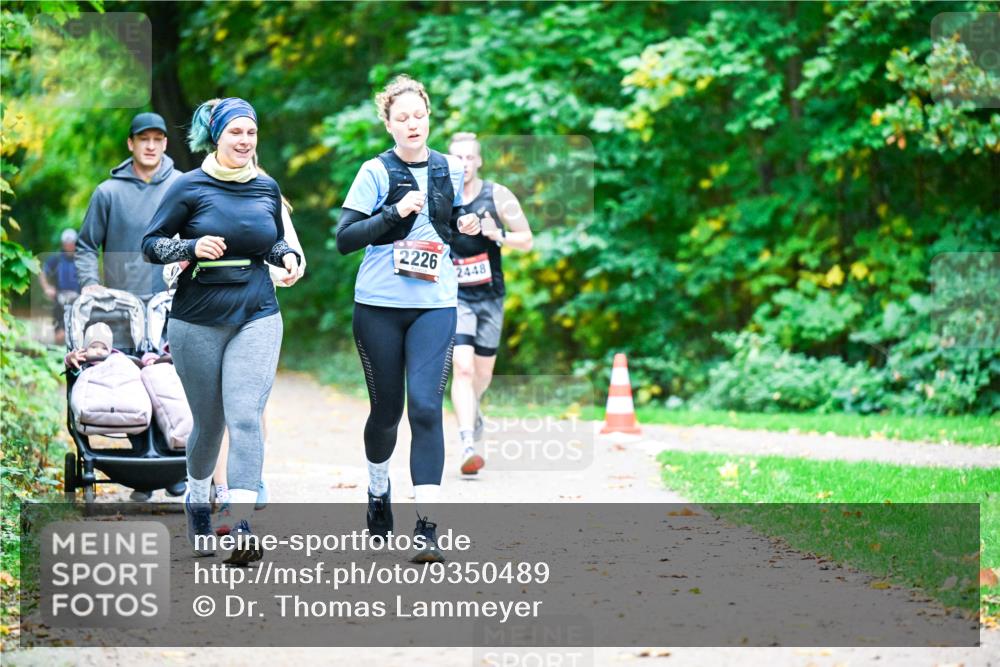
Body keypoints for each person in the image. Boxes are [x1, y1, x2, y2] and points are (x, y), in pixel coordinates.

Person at [142, 97, 301, 565]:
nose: (245, 141)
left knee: (246, 416)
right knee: (209, 426)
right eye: (236, 133)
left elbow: (270, 242)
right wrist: (191, 245)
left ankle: (244, 524)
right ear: (217, 137)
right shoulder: (189, 187)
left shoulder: (266, 187)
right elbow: (151, 245)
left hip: (257, 312)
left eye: (251, 133)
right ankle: (196, 499)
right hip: (197, 318)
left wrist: (285, 257)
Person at [336, 75, 479, 563]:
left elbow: (454, 236)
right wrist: (395, 211)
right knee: (388, 412)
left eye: (419, 116)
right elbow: (345, 238)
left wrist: (468, 227)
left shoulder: (450, 169)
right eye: (403, 118)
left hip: (435, 304)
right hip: (378, 305)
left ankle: (427, 528)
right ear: (389, 124)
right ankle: (379, 490)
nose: (412, 124)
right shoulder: (375, 171)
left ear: (429, 117)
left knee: (425, 408)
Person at [212, 156, 307, 535]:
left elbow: (292, 254)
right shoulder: (198, 190)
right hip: (209, 312)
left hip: (255, 312)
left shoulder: (268, 193)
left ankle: (247, 479)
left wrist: (289, 266)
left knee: (249, 407)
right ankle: (223, 492)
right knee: (216, 406)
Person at [447, 132, 534, 475]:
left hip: (490, 296)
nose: (464, 165)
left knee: (482, 375)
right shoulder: (442, 197)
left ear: (479, 161)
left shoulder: (498, 195)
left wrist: (496, 235)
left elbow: (527, 239)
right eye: (457, 159)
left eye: (470, 158)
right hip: (456, 297)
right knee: (463, 369)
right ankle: (468, 442)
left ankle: (474, 409)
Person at [76, 112, 182, 298]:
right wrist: (90, 282)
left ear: (165, 144)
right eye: (143, 139)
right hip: (122, 305)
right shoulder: (107, 192)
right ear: (130, 143)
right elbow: (86, 245)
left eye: (157, 140)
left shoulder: (182, 185)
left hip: (173, 305)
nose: (151, 146)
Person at [40, 228, 81, 345]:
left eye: (72, 243)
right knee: (59, 332)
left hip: (78, 299)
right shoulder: (56, 259)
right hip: (60, 299)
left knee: (76, 331)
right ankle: (58, 355)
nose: (69, 246)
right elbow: (42, 272)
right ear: (63, 244)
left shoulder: (81, 259)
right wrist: (47, 288)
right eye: (66, 244)